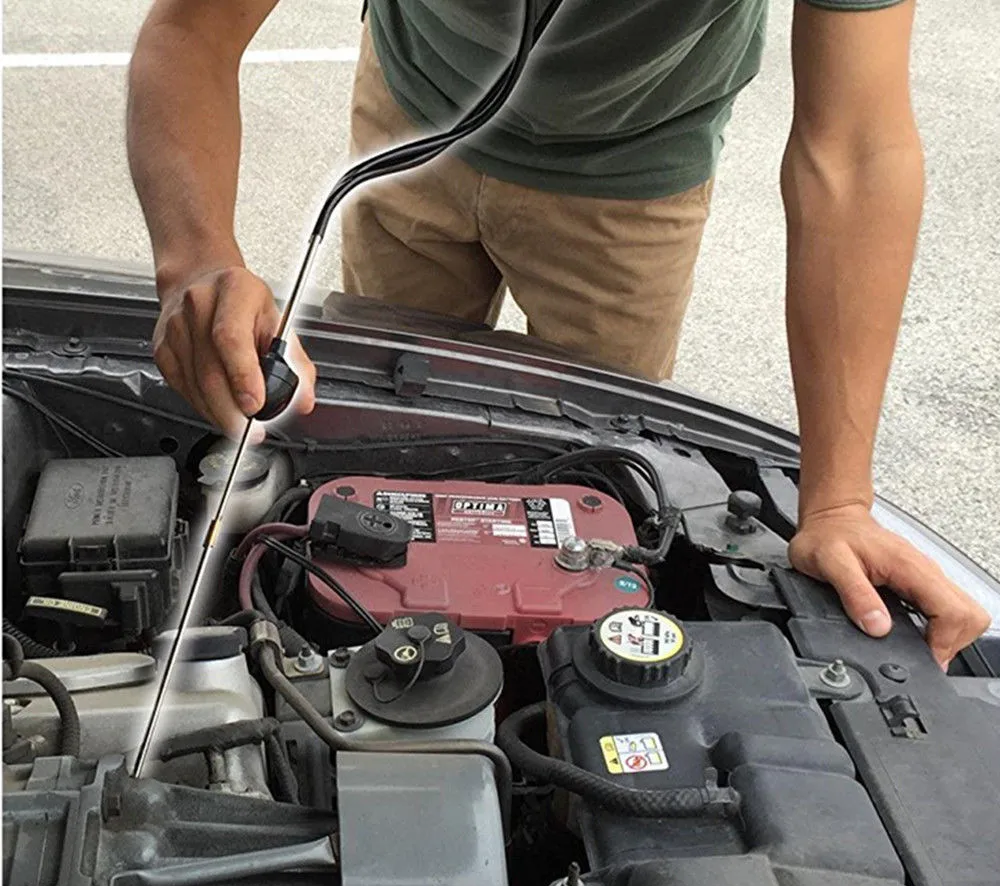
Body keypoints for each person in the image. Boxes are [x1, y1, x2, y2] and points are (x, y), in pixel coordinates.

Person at [127, 0, 990, 666]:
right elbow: (194, 27)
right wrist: (197, 259)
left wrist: (837, 503)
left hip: (629, 174)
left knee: (590, 480)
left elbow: (858, 149)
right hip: (414, 123)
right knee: (389, 437)